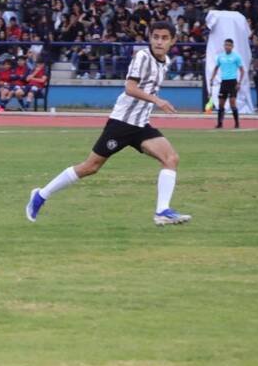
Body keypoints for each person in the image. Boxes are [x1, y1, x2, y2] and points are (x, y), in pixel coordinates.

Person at [26, 21, 191, 227]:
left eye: (164, 38)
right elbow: (130, 88)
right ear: (150, 37)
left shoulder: (165, 61)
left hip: (141, 124)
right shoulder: (142, 57)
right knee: (90, 167)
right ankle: (40, 195)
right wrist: (157, 100)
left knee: (171, 158)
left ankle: (162, 211)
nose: (159, 41)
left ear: (173, 41)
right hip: (121, 123)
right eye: (155, 37)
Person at [208, 38, 245, 129]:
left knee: (232, 103)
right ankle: (220, 123)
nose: (227, 47)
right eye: (226, 45)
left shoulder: (236, 57)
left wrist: (239, 82)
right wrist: (212, 78)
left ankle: (236, 123)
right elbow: (216, 68)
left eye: (229, 45)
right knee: (221, 104)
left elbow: (242, 70)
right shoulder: (220, 57)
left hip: (233, 82)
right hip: (224, 82)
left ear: (232, 46)